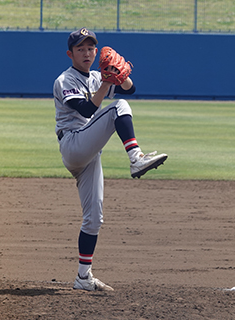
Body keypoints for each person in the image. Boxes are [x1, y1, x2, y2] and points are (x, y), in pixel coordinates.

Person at [53, 27, 168, 291]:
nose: (87, 53)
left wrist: (121, 74)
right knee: (117, 109)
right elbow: (86, 108)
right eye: (80, 49)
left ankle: (83, 277)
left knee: (94, 219)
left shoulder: (95, 76)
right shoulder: (65, 80)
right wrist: (107, 80)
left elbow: (130, 89)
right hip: (74, 144)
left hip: (89, 152)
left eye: (91, 48)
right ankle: (135, 157)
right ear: (70, 54)